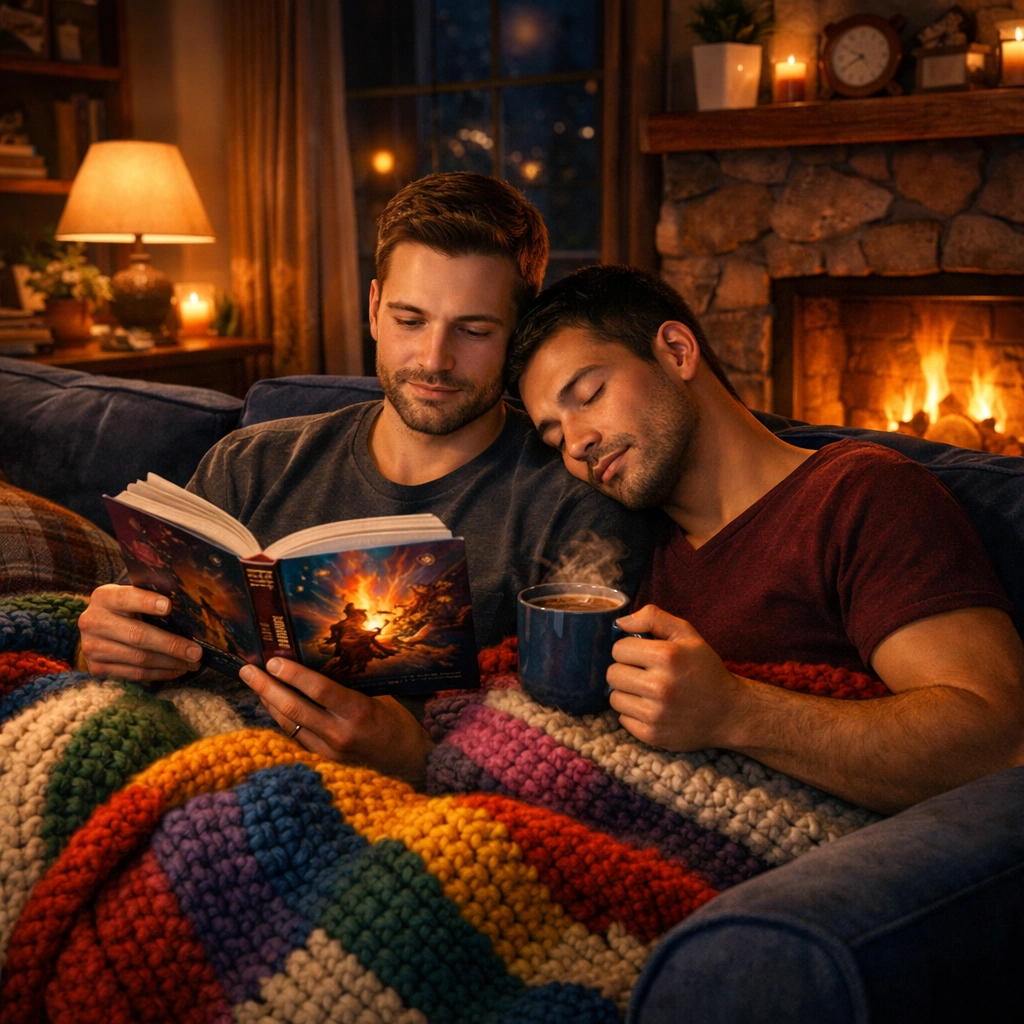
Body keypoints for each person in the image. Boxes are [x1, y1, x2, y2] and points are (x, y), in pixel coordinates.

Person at [78, 174, 650, 786]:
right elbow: (108, 645)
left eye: (474, 330)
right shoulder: (249, 463)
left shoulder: (573, 502)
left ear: (517, 335)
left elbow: (587, 755)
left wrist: (420, 760)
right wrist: (100, 646)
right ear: (374, 308)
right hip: (197, 768)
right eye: (409, 320)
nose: (434, 359)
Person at [509, 264, 1024, 814]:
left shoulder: (860, 495)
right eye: (555, 434)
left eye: (589, 394)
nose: (577, 444)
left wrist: (735, 712)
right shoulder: (629, 551)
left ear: (677, 351)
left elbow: (995, 741)